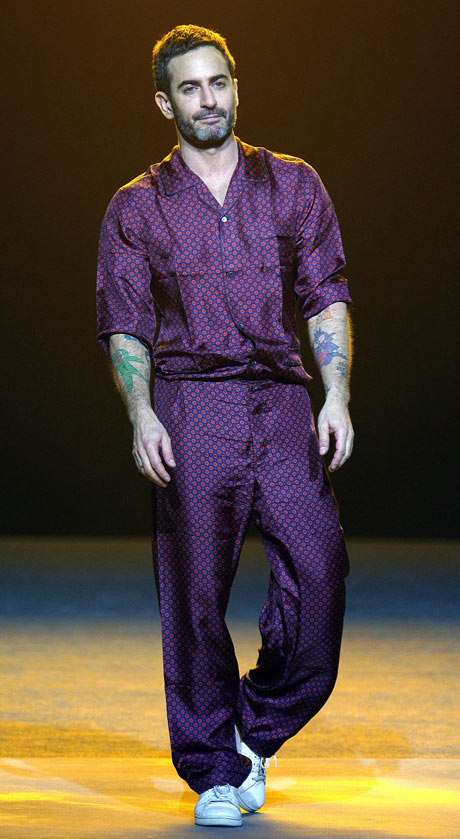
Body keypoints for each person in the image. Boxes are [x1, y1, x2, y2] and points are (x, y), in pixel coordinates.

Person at [96, 23, 354, 829]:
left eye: (218, 83)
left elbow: (326, 295)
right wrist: (141, 412)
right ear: (164, 102)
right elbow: (125, 323)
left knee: (320, 571)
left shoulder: (293, 184)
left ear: (236, 88)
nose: (207, 100)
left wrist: (337, 395)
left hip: (280, 402)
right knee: (195, 592)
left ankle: (255, 724)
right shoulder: (137, 206)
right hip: (190, 403)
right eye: (190, 88)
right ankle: (212, 765)